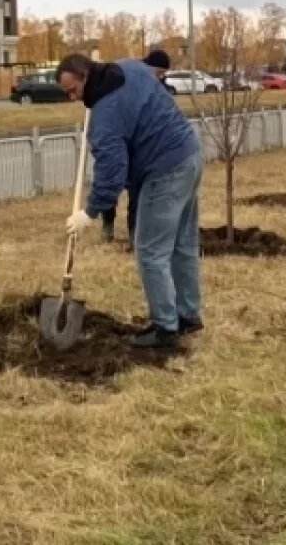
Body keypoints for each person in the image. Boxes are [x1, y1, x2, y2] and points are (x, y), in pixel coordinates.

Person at [58, 53, 203, 349]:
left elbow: (112, 172)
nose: (73, 98)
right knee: (181, 244)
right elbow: (152, 76)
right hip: (189, 154)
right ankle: (187, 315)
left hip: (164, 171)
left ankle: (165, 329)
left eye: (73, 90)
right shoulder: (130, 67)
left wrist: (89, 212)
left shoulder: (105, 116)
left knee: (150, 250)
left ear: (86, 77)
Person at [101, 49, 174, 243]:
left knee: (137, 191)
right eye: (159, 73)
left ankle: (134, 232)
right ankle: (107, 225)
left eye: (163, 74)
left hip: (142, 147)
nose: (161, 77)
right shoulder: (126, 81)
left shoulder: (161, 89)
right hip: (119, 142)